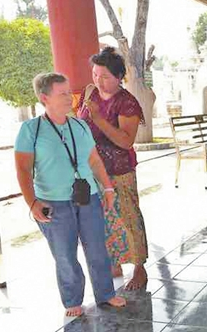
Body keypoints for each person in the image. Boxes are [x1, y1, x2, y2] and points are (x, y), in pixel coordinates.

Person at [14, 73, 126, 316]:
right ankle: (72, 300)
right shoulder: (31, 130)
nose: (69, 97)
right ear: (45, 98)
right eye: (62, 93)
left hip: (88, 196)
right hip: (53, 202)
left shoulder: (80, 124)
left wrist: (107, 188)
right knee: (65, 254)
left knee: (97, 248)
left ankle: (106, 294)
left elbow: (94, 160)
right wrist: (32, 202)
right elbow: (23, 168)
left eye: (69, 91)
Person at [77, 47, 149, 290]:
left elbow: (126, 141)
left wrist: (98, 119)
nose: (99, 81)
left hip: (119, 169)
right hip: (93, 170)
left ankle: (139, 267)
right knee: (104, 219)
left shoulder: (127, 103)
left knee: (128, 216)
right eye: (96, 74)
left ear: (119, 77)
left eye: (105, 76)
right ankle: (114, 262)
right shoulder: (89, 93)